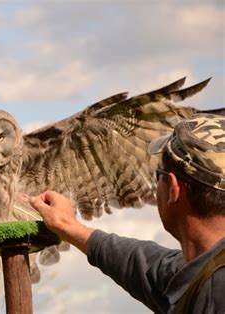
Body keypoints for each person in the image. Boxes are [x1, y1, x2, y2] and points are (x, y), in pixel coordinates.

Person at [29, 113, 225, 313]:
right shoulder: (198, 271)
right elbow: (142, 264)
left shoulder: (216, 290)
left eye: (159, 174)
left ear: (174, 189)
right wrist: (70, 227)